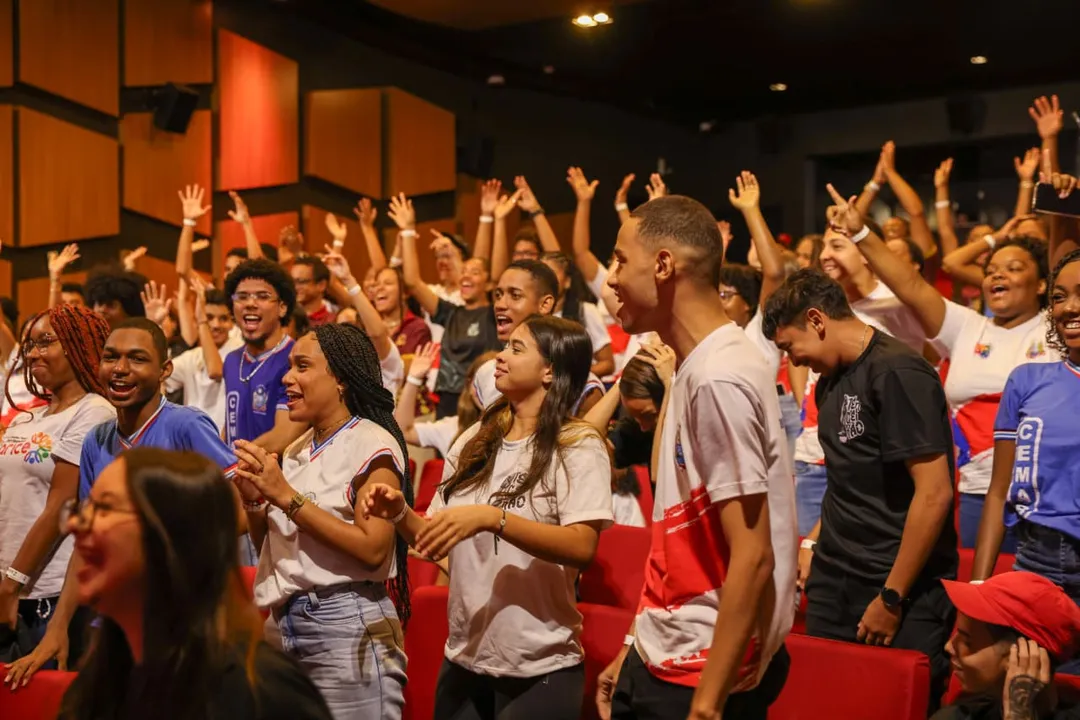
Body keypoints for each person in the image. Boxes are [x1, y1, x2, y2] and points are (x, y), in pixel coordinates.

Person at [600, 195, 795, 720]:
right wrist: (636, 643)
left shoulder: (719, 376)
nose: (610, 278)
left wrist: (706, 705)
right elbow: (676, 535)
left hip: (699, 669)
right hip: (669, 650)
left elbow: (752, 555)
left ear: (663, 265)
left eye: (620, 260)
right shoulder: (697, 366)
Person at [365, 315, 614, 720]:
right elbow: (432, 541)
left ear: (550, 370)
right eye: (506, 345)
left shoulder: (578, 444)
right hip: (464, 658)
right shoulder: (474, 440)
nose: (500, 356)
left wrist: (493, 518)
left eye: (517, 349)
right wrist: (400, 514)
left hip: (540, 666)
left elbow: (582, 546)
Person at [3, 318, 243, 686]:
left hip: (180, 626)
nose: (120, 370)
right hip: (111, 626)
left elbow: (236, 514)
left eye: (137, 359)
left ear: (164, 370)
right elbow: (86, 543)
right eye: (111, 357)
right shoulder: (96, 439)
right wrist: (59, 626)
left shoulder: (186, 425)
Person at [763, 265, 957, 706]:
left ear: (816, 320)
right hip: (836, 580)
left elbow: (935, 493)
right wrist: (813, 544)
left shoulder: (897, 372)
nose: (792, 361)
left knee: (889, 706)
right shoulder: (829, 382)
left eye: (790, 347)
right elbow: (846, 481)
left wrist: (891, 596)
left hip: (898, 588)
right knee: (830, 703)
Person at [53, 447, 333, 720]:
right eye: (84, 508)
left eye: (104, 509)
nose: (74, 525)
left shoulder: (263, 693)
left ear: (171, 537)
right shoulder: (101, 682)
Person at [846, 193, 1054, 551]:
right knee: (976, 594)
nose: (997, 275)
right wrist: (861, 234)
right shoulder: (966, 327)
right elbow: (910, 287)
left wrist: (1060, 204)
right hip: (972, 494)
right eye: (990, 271)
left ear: (1042, 284)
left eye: (1014, 268)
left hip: (1045, 493)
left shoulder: (1056, 328)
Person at [233, 323, 411, 719]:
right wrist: (256, 504)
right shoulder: (297, 448)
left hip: (346, 625)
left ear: (341, 380)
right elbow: (276, 549)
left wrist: (285, 496)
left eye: (302, 366)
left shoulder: (373, 444)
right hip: (284, 624)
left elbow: (373, 549)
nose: (286, 377)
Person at [0, 306, 113, 659]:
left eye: (45, 342)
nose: (32, 353)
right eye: (30, 345)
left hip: (46, 593)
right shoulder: (27, 418)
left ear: (80, 345)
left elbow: (61, 507)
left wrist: (11, 585)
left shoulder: (94, 411)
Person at [973, 251, 1080, 614]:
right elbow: (998, 491)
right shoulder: (1026, 380)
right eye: (1059, 297)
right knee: (1026, 672)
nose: (1069, 308)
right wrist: (978, 587)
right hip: (1034, 563)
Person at [390, 193, 501, 419]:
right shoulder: (451, 313)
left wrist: (492, 219)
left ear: (489, 282)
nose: (466, 276)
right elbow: (412, 282)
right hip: (448, 400)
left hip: (484, 397)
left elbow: (493, 270)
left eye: (475, 272)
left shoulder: (495, 313)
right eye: (465, 272)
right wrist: (409, 230)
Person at [934, 571, 1080, 720]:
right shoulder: (958, 714)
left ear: (1024, 655)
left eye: (968, 642)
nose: (948, 646)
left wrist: (1018, 714)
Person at [470, 260, 605, 416]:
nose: (500, 304)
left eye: (515, 295)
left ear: (545, 304)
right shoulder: (487, 373)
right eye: (498, 295)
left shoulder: (581, 387)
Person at [223, 259, 307, 455]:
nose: (251, 303)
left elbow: (284, 435)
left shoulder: (296, 359)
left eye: (262, 296)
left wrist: (230, 465)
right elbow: (231, 425)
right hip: (237, 478)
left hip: (277, 479)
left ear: (282, 307)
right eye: (242, 296)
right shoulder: (232, 360)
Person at [582, 349, 672, 528]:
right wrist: (627, 376)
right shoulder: (640, 428)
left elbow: (659, 475)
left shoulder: (694, 421)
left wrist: (671, 386)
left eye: (649, 415)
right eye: (636, 417)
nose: (643, 426)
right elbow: (584, 437)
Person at [165, 281, 243, 433]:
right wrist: (156, 326)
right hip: (190, 443)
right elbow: (159, 376)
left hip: (224, 443)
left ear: (232, 323)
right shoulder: (192, 356)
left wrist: (202, 322)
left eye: (223, 319)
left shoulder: (240, 348)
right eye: (209, 317)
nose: (215, 325)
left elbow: (215, 370)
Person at [395, 344, 495, 459]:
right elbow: (404, 431)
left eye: (493, 381)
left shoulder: (516, 432)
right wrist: (414, 379)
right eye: (478, 380)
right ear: (468, 384)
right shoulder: (452, 427)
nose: (485, 389)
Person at [542, 251, 615, 377]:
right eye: (541, 275)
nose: (545, 280)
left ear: (567, 281)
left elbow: (607, 363)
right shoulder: (532, 314)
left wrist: (570, 377)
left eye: (551, 273)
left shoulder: (586, 311)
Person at [290, 257, 337, 327]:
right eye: (291, 282)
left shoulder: (332, 322)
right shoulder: (285, 317)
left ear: (321, 285)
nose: (295, 287)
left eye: (301, 281)